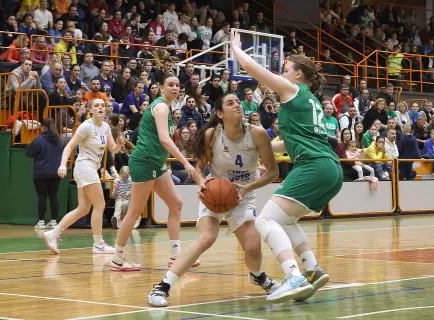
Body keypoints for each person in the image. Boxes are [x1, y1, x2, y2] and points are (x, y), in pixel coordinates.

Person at [229, 32, 343, 302]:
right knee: (286, 219)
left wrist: (236, 48)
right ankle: (312, 269)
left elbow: (251, 69)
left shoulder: (293, 90)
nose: (282, 72)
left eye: (286, 69)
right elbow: (289, 143)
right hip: (330, 168)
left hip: (314, 166)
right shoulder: (310, 100)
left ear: (299, 74)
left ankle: (292, 275)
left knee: (266, 220)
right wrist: (258, 150)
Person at [148, 93, 281, 307]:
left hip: (242, 195)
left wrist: (248, 188)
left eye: (238, 102)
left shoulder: (257, 134)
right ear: (219, 113)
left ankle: (257, 275)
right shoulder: (212, 135)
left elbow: (273, 172)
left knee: (253, 246)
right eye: (230, 103)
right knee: (206, 238)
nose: (237, 105)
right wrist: (201, 182)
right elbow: (200, 168)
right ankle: (163, 286)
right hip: (215, 192)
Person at [109, 76, 197, 271]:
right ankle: (117, 258)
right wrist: (185, 162)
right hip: (144, 162)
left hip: (156, 162)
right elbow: (165, 140)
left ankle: (175, 255)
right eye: (170, 84)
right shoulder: (161, 107)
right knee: (133, 212)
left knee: (176, 204)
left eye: (177, 85)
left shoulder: (167, 108)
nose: (175, 87)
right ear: (161, 88)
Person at [43, 99, 126, 254]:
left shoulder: (106, 127)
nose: (100, 107)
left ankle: (53, 234)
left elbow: (113, 150)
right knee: (100, 205)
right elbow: (69, 146)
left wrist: (119, 145)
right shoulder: (86, 126)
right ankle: (98, 244)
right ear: (90, 109)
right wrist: (62, 165)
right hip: (84, 166)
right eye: (97, 106)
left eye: (102, 105)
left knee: (83, 209)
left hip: (92, 168)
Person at [26, 118, 63, 229]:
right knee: (54, 196)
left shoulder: (39, 140)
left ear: (43, 127)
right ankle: (54, 221)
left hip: (41, 173)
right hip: (56, 173)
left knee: (42, 197)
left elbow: (29, 153)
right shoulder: (59, 140)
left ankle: (41, 222)